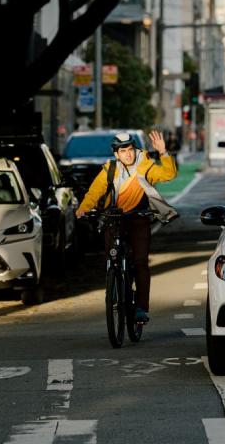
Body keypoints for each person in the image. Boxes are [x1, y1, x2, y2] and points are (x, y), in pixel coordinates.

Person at [76, 131, 177, 324]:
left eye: (130, 149)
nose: (128, 154)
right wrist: (83, 209)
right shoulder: (110, 170)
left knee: (140, 262)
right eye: (123, 151)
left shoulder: (145, 165)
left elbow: (168, 174)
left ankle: (141, 307)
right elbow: (94, 192)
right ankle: (118, 286)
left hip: (139, 219)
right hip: (114, 219)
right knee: (111, 258)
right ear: (116, 154)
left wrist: (163, 152)